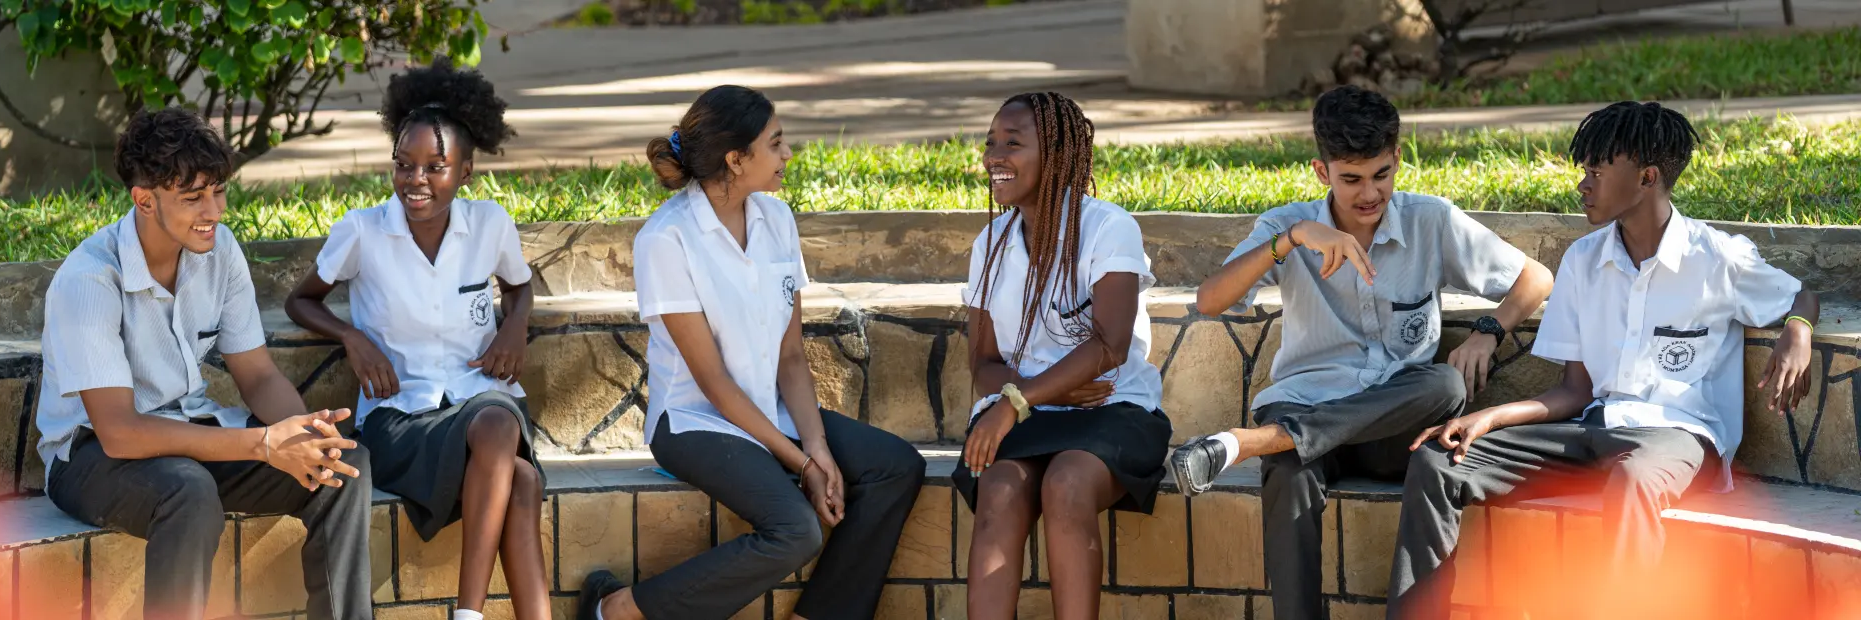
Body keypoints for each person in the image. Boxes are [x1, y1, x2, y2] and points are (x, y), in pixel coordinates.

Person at [1387, 102, 1818, 619]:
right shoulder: (1583, 261)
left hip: (1678, 439)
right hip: (1592, 429)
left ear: (1648, 176)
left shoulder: (1715, 258)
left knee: (1633, 480)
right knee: (1439, 459)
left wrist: (1799, 332)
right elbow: (1574, 392)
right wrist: (1489, 418)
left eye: (1596, 171)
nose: (1582, 184)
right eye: (1583, 171)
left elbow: (1800, 296)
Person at [1165, 85, 1555, 620]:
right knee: (1289, 471)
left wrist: (1489, 330)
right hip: (1307, 402)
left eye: (1381, 174)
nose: (1370, 193)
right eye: (1351, 179)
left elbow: (1536, 277)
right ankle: (1279, 446)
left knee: (1444, 385)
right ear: (1322, 171)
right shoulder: (1288, 224)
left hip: (1394, 425)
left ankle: (1250, 442)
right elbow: (1210, 300)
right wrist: (1295, 238)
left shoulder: (1429, 220)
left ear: (1398, 158)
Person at [575, 85, 927, 620]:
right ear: (736, 159)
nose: (788, 155)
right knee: (795, 530)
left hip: (771, 409)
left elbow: (790, 356)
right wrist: (803, 464)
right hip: (695, 422)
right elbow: (713, 382)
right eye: (777, 143)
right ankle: (618, 611)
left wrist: (817, 445)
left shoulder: (776, 220)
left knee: (896, 466)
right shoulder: (666, 239)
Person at [36, 107, 372, 620]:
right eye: (192, 198)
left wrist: (300, 433)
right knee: (188, 492)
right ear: (145, 201)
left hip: (191, 435)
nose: (212, 211)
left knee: (341, 466)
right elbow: (120, 433)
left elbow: (257, 375)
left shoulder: (220, 251)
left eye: (218, 191)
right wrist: (262, 443)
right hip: (91, 458)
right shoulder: (89, 279)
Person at [283, 60, 547, 620]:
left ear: (466, 171)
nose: (415, 180)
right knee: (514, 464)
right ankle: (470, 612)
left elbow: (522, 290)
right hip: (399, 415)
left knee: (507, 442)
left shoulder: (491, 223)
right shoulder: (362, 231)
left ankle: (470, 613)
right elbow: (300, 301)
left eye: (435, 166)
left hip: (480, 400)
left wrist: (514, 326)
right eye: (404, 165)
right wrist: (352, 336)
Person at [955, 91, 1172, 620]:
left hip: (1113, 411)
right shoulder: (991, 242)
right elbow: (981, 362)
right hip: (1029, 415)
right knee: (1000, 489)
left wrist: (1016, 401)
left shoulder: (1107, 227)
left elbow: (1109, 344)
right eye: (990, 144)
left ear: (1055, 153)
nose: (993, 158)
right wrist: (1027, 397)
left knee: (1067, 483)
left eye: (1012, 143)